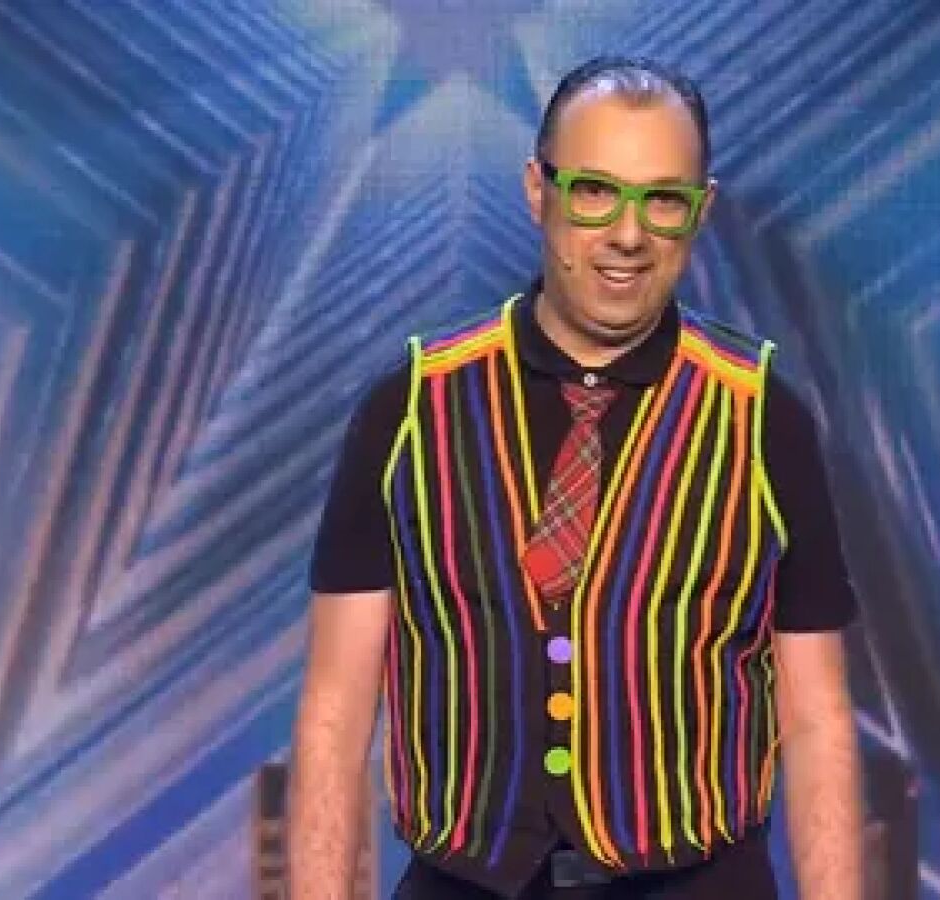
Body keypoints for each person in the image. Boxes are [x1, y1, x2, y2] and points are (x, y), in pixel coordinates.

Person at [289, 56, 864, 899]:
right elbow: (335, 717)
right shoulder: (408, 407)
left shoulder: (762, 414)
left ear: (699, 212)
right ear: (538, 190)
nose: (628, 234)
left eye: (662, 200)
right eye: (595, 191)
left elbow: (815, 722)